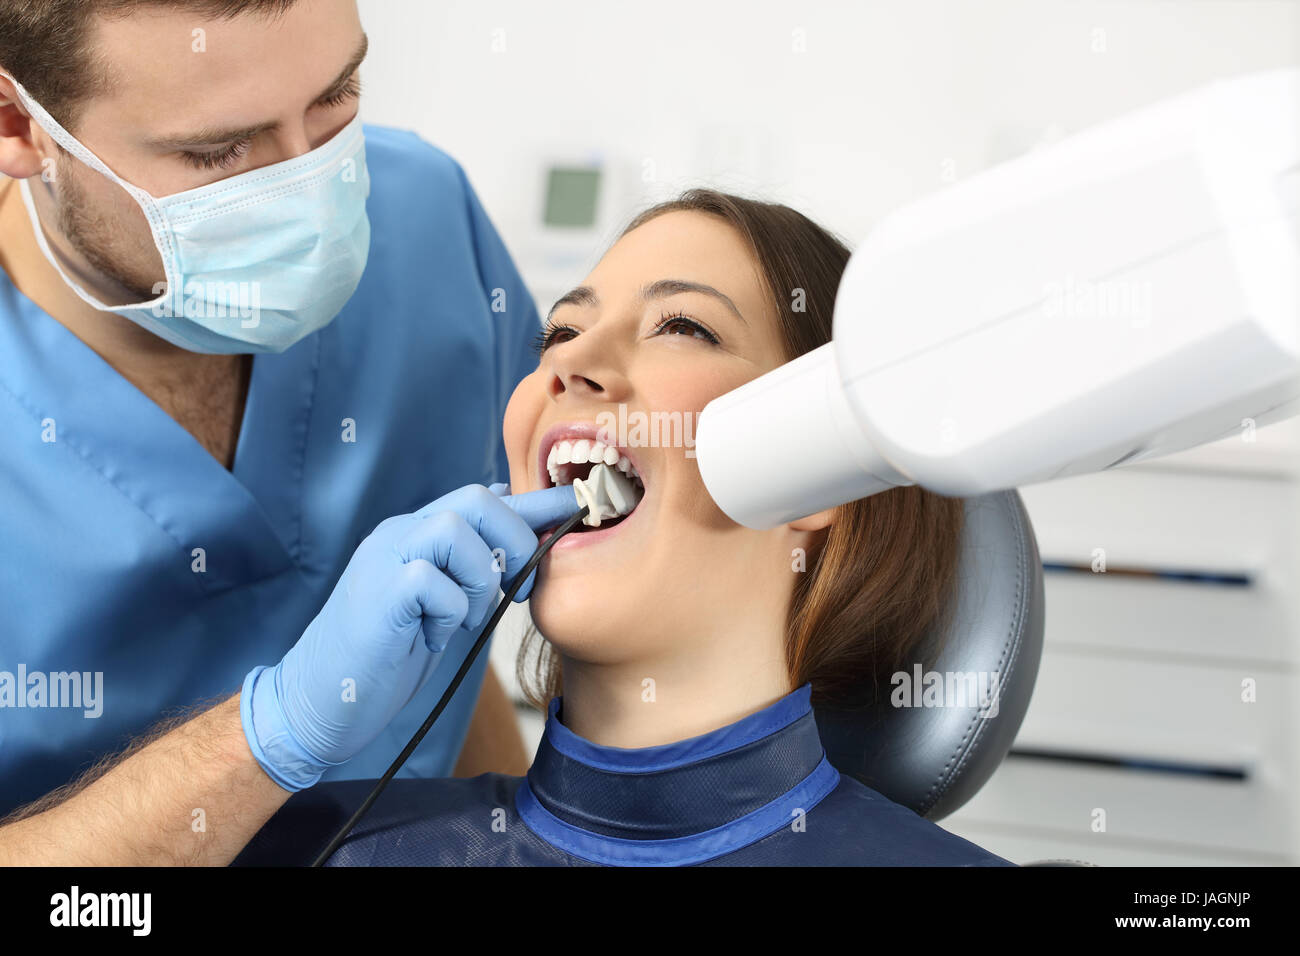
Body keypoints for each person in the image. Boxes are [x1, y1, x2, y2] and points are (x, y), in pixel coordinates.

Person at [236, 189, 1017, 866]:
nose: (569, 365)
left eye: (682, 326)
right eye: (561, 333)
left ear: (817, 468)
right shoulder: (320, 846)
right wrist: (276, 736)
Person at [0, 0, 541, 865]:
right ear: (20, 124)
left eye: (338, 97)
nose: (315, 193)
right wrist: (273, 735)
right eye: (220, 151)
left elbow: (441, 641)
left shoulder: (426, 216)